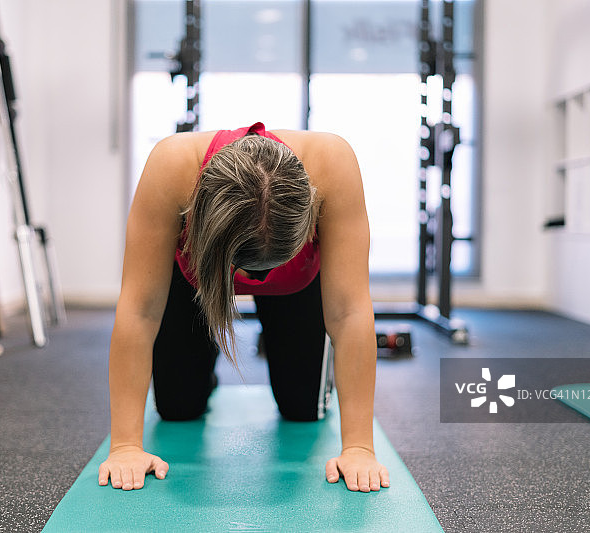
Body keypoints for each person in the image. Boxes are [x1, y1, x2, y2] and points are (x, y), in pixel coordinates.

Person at [98, 122, 389, 493]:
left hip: (297, 285)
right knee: (178, 409)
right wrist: (125, 447)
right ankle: (201, 368)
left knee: (301, 410)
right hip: (194, 279)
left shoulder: (332, 163)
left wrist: (359, 449)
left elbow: (349, 311)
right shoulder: (172, 166)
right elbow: (139, 309)